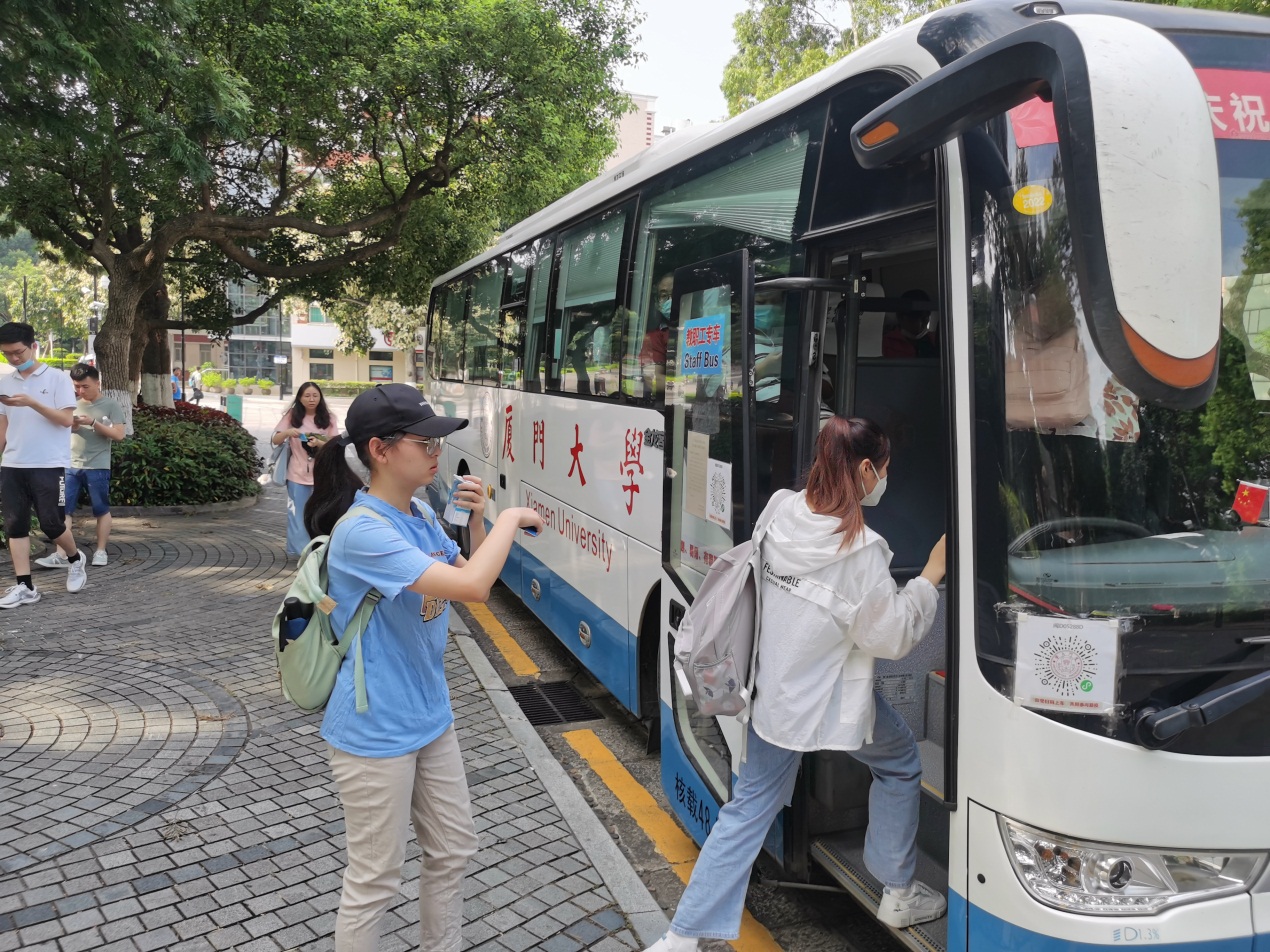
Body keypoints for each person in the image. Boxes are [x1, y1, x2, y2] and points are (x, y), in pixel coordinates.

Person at [644, 417, 948, 952]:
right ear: (865, 470)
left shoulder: (782, 508)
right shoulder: (863, 551)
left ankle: (682, 937)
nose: (886, 480)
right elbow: (892, 636)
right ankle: (898, 890)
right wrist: (930, 578)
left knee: (747, 810)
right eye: (885, 469)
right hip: (827, 697)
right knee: (900, 763)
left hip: (771, 695)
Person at [306, 383, 544, 952]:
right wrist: (512, 517)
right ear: (381, 450)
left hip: (429, 715)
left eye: (438, 440)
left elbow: (466, 575)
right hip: (374, 728)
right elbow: (473, 586)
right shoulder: (363, 530)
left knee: (454, 849)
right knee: (375, 879)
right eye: (425, 440)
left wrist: (482, 521)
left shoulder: (416, 510)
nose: (437, 451)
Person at [0, 321, 88, 607]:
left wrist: (32, 403)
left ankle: (75, 559)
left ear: (34, 347)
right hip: (13, 463)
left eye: (19, 352)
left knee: (52, 523)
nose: (14, 359)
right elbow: (2, 428)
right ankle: (25, 586)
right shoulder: (4, 383)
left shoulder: (58, 379)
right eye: (7, 354)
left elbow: (66, 421)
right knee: (15, 526)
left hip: (48, 463)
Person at [35, 364, 126, 569]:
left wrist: (93, 422)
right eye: (77, 386)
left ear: (97, 383)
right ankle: (62, 554)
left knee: (101, 509)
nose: (80, 391)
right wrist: (72, 427)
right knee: (64, 511)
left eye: (85, 386)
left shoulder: (111, 405)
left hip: (98, 466)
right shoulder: (72, 404)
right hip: (69, 465)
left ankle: (101, 551)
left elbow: (119, 435)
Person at [272, 382, 340, 557]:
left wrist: (319, 443)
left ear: (320, 397)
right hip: (296, 474)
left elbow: (335, 445)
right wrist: (288, 433)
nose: (311, 399)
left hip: (322, 475)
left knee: (320, 514)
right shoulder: (292, 416)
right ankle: (304, 554)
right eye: (307, 396)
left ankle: (320, 550)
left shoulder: (329, 418)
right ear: (300, 398)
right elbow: (276, 439)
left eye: (315, 396)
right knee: (297, 515)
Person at [882, 289, 939, 358]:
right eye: (913, 319)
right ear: (900, 317)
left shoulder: (937, 340)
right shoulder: (886, 343)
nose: (919, 324)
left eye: (924, 319)